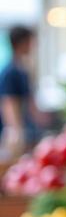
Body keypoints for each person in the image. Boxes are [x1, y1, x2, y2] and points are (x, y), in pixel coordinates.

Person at [0, 25, 37, 159]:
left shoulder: (21, 70)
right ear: (21, 43)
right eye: (30, 42)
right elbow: (8, 103)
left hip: (23, 131)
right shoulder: (10, 72)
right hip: (13, 135)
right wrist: (16, 132)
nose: (32, 46)